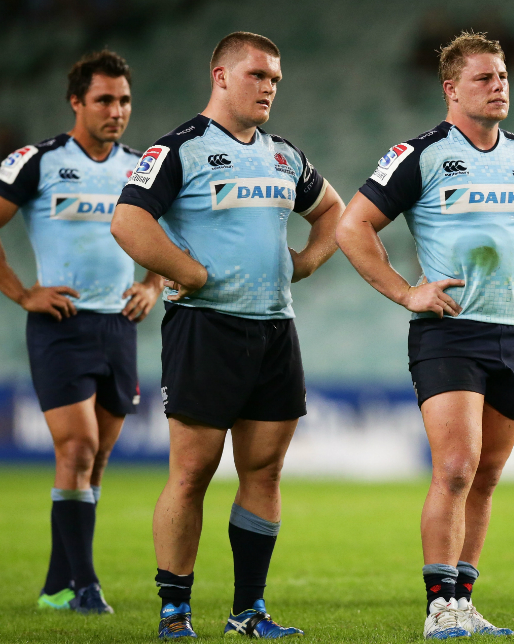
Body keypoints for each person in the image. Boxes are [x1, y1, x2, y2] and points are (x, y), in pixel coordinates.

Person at [337, 32, 514, 639]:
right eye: (484, 78)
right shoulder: (418, 154)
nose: (499, 86)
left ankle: (463, 601)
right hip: (448, 332)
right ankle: (437, 607)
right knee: (454, 467)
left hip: (511, 333)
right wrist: (405, 291)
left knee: (488, 475)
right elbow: (352, 226)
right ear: (450, 89)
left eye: (502, 77)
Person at [110, 32, 344, 640]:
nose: (269, 87)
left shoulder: (284, 156)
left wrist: (307, 261)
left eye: (275, 79)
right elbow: (128, 218)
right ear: (221, 76)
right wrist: (183, 271)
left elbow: (333, 213)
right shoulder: (180, 149)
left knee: (263, 473)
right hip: (205, 329)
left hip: (273, 327)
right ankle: (174, 611)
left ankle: (249, 611)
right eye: (258, 75)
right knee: (192, 472)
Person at [0, 50, 161, 614]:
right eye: (104, 100)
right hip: (60, 325)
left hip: (119, 328)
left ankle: (56, 585)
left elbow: (171, 234)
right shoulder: (37, 161)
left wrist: (153, 284)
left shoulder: (140, 167)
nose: (116, 110)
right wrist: (23, 292)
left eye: (123, 100)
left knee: (92, 464)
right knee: (77, 446)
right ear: (76, 102)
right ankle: (87, 587)